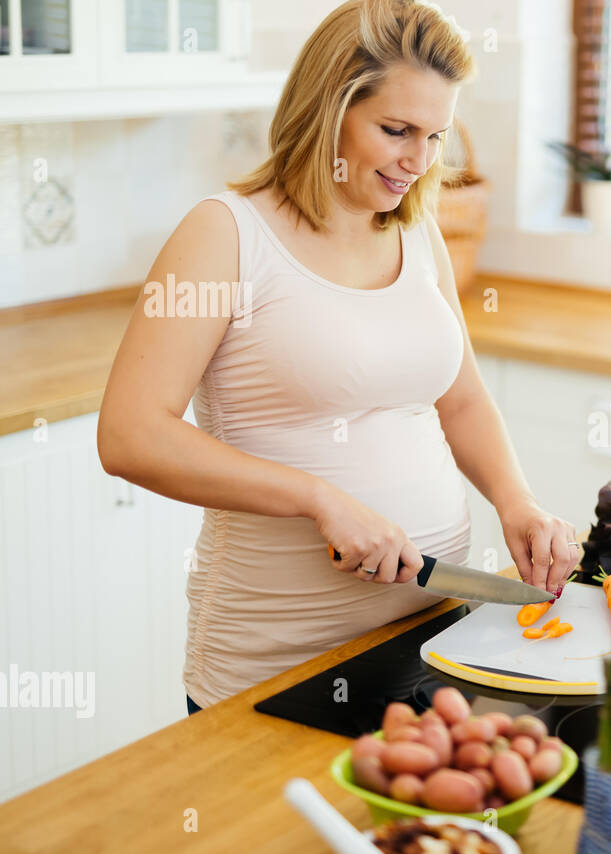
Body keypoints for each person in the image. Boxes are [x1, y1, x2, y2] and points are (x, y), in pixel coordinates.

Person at [97, 0, 578, 715]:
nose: (419, 161)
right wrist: (318, 500)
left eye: (435, 136)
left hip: (428, 641)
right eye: (396, 130)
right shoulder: (224, 235)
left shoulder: (419, 237)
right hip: (273, 667)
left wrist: (517, 501)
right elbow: (130, 435)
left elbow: (462, 399)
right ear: (331, 110)